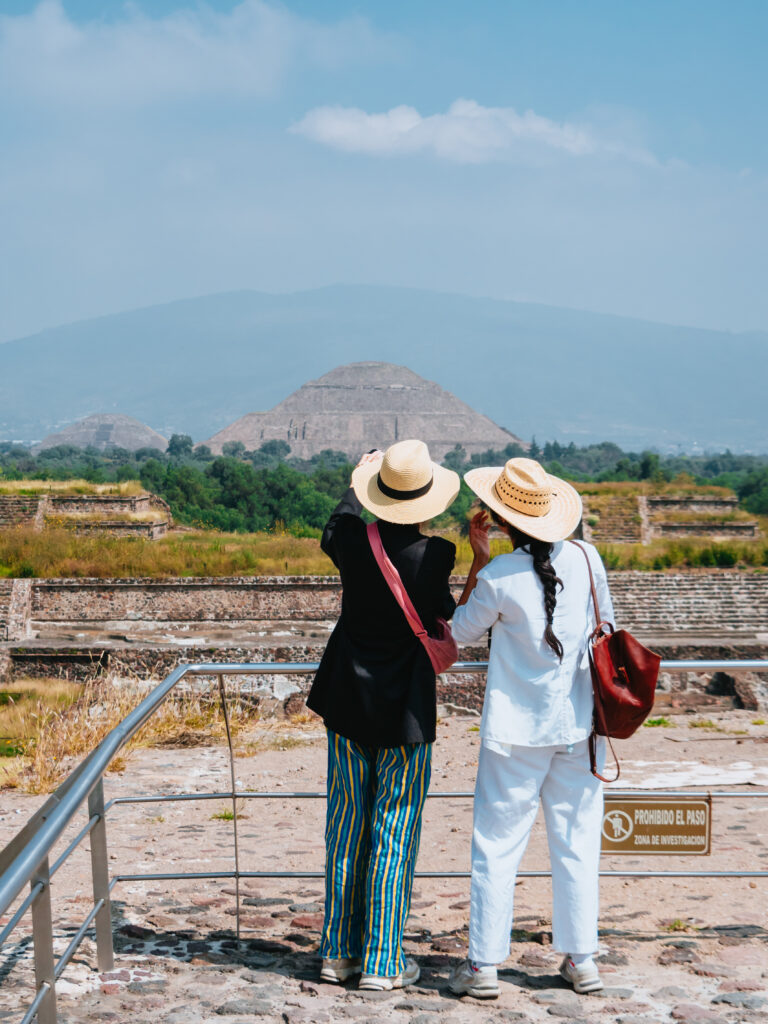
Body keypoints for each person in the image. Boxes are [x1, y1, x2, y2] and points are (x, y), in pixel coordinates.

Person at [447, 457, 614, 999]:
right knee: (577, 841)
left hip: (515, 730)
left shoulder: (499, 577)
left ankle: (485, 965)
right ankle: (582, 958)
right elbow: (606, 626)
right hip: (579, 722)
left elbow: (461, 635)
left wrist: (479, 557)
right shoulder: (589, 559)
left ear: (499, 519)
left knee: (496, 845)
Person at [306, 439, 459, 990]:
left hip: (347, 699)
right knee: (395, 831)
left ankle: (336, 952)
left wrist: (358, 478)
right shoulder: (437, 555)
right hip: (406, 712)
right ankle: (383, 960)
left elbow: (336, 522)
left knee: (345, 827)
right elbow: (447, 616)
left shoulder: (350, 540)